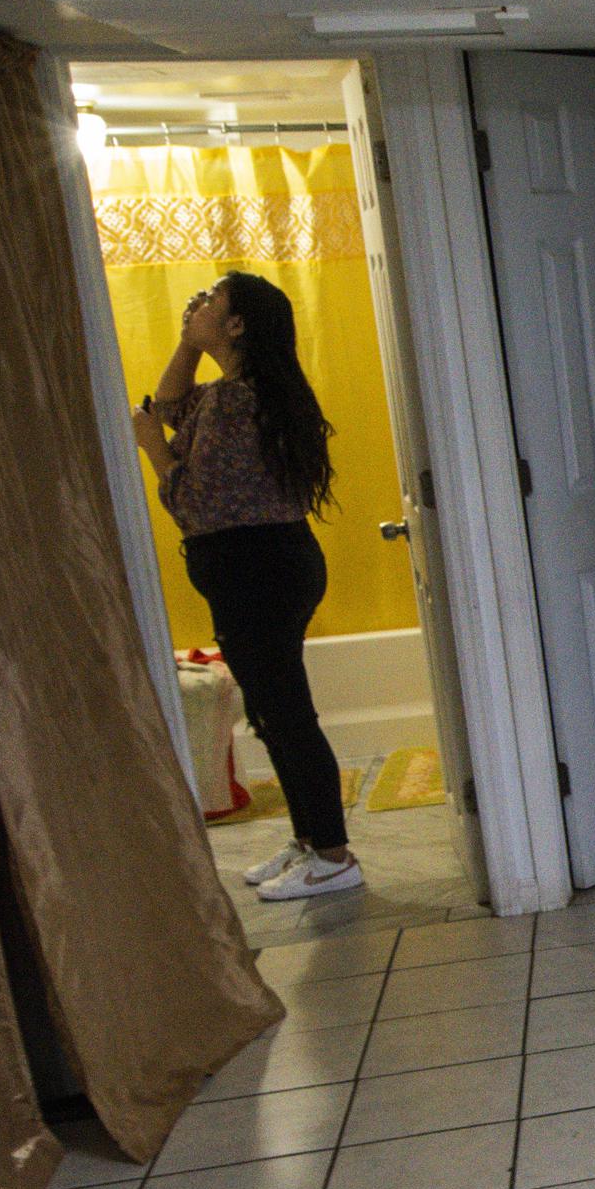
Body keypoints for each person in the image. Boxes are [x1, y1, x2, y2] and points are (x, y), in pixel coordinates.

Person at [132, 271, 361, 903]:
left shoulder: (239, 401)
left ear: (236, 326)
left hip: (258, 571)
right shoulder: (233, 392)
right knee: (271, 713)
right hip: (266, 567)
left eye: (210, 302)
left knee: (285, 715)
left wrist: (152, 446)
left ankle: (335, 855)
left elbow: (197, 499)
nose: (197, 304)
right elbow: (175, 405)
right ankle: (313, 841)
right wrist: (186, 343)